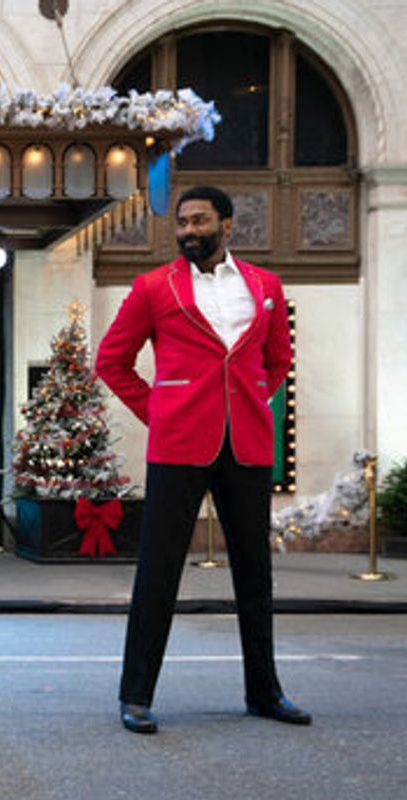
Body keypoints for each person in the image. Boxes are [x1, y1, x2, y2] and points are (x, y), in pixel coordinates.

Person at [95, 185, 311, 735]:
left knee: (255, 577)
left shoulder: (264, 286)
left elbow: (277, 360)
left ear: (228, 225)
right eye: (183, 224)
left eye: (199, 221)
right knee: (158, 574)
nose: (189, 231)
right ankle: (136, 695)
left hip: (248, 446)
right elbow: (112, 361)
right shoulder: (153, 287)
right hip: (178, 445)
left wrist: (247, 402)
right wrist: (160, 411)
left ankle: (265, 692)